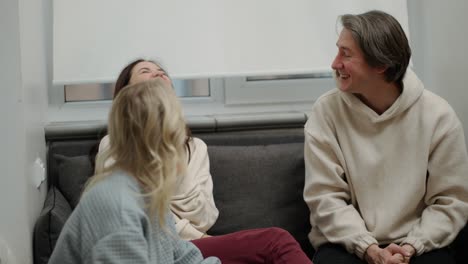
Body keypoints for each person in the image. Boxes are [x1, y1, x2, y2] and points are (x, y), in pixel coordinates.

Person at [97, 59, 313, 263]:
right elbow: (138, 213)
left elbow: (204, 216)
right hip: (159, 246)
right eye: (146, 72)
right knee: (276, 241)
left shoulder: (195, 147)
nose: (158, 73)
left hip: (195, 244)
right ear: (126, 94)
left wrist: (172, 146)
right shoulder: (114, 145)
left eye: (161, 72)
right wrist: (190, 231)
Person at [303, 10, 468, 264]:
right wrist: (369, 248)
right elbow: (325, 198)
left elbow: (450, 201)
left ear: (381, 65)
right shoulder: (326, 112)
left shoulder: (438, 115)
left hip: (420, 243)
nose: (335, 64)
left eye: (345, 54)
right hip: (347, 243)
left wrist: (413, 246)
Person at [49, 79, 220, 263]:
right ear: (163, 142)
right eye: (179, 130)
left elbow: (184, 258)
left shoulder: (149, 195)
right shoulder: (117, 206)